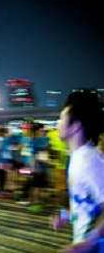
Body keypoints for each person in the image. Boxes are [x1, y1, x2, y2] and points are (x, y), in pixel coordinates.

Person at [51, 90, 104, 253]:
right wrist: (66, 215)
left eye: (62, 118)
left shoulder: (90, 161)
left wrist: (89, 242)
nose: (58, 124)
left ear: (75, 126)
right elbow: (85, 202)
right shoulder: (76, 158)